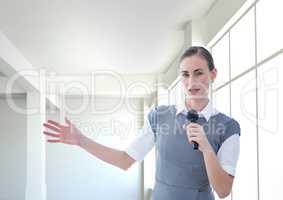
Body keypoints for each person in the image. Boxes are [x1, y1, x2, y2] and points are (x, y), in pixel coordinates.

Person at [43, 46, 240, 200]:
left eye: (199, 73)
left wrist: (206, 148)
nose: (191, 82)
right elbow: (124, 160)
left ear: (213, 74)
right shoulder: (160, 116)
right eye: (185, 75)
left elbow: (223, 190)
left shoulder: (228, 126)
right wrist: (81, 140)